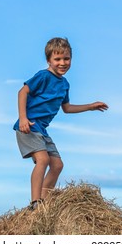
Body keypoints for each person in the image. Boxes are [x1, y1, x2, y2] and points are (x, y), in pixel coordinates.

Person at [13, 37, 108, 210]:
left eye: (66, 58)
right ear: (49, 60)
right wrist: (23, 118)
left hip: (42, 130)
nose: (62, 63)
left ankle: (45, 202)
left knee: (57, 165)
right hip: (30, 126)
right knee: (43, 160)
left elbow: (67, 108)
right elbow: (22, 92)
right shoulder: (43, 76)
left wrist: (90, 107)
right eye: (57, 59)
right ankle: (35, 203)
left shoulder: (64, 84)